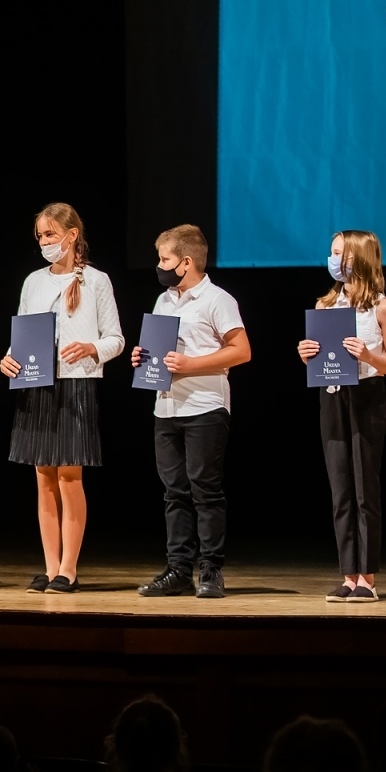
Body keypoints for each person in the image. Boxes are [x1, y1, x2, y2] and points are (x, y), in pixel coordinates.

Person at [1, 203, 123, 594]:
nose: (45, 242)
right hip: (36, 385)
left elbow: (116, 339)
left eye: (51, 234)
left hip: (75, 385)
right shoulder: (32, 281)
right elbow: (22, 335)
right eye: (40, 236)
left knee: (70, 477)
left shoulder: (96, 281)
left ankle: (68, 568)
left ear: (71, 236)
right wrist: (9, 359)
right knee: (43, 480)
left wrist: (91, 348)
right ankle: (50, 565)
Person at [133, 224, 250, 600]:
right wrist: (142, 358)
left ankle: (211, 569)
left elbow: (241, 351)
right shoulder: (164, 300)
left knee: (205, 490)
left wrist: (190, 364)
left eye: (165, 259)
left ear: (185, 262)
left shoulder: (218, 299)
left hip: (205, 407)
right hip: (166, 407)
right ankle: (179, 569)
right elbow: (160, 351)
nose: (160, 266)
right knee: (174, 492)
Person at [297, 231, 386, 603]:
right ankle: (348, 574)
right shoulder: (325, 306)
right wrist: (307, 352)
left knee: (364, 489)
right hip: (332, 397)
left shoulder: (381, 307)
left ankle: (368, 578)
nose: (332, 258)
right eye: (331, 252)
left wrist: (369, 356)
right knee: (341, 489)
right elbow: (320, 356)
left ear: (356, 258)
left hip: (367, 398)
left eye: (338, 253)